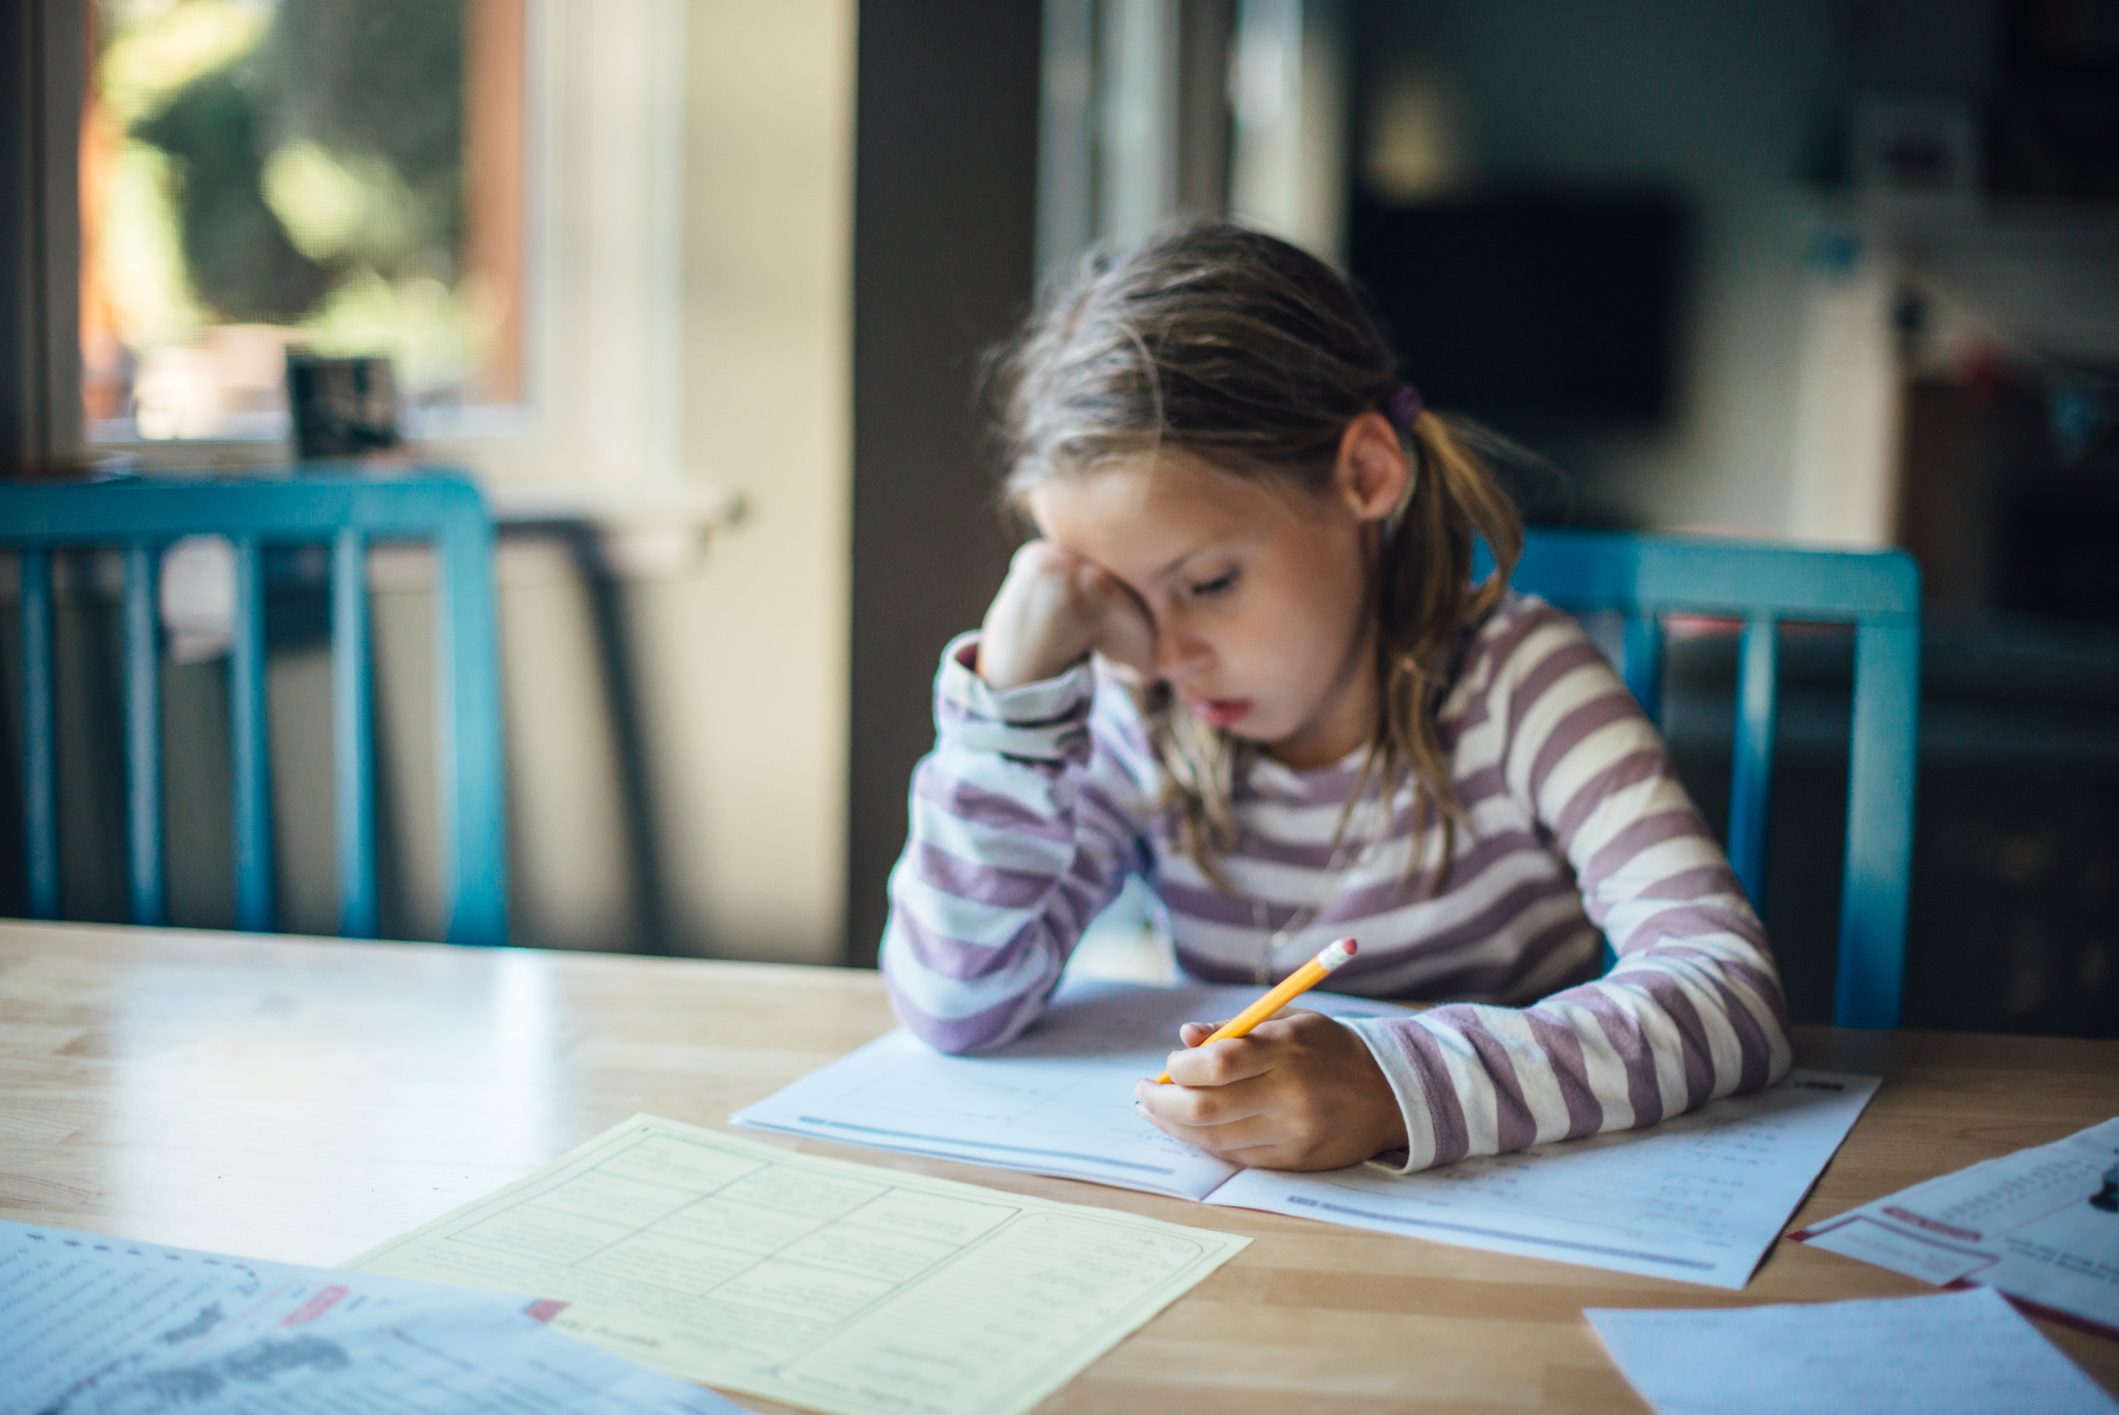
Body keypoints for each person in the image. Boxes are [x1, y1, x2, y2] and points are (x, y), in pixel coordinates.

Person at [880, 222, 1791, 1175]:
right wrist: (1011, 704)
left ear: (1363, 474)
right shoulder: (1134, 718)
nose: (1166, 655)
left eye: (1207, 583)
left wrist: (1393, 1086)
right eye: (1118, 599)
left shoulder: (1524, 686)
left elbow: (1728, 992)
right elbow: (954, 1002)